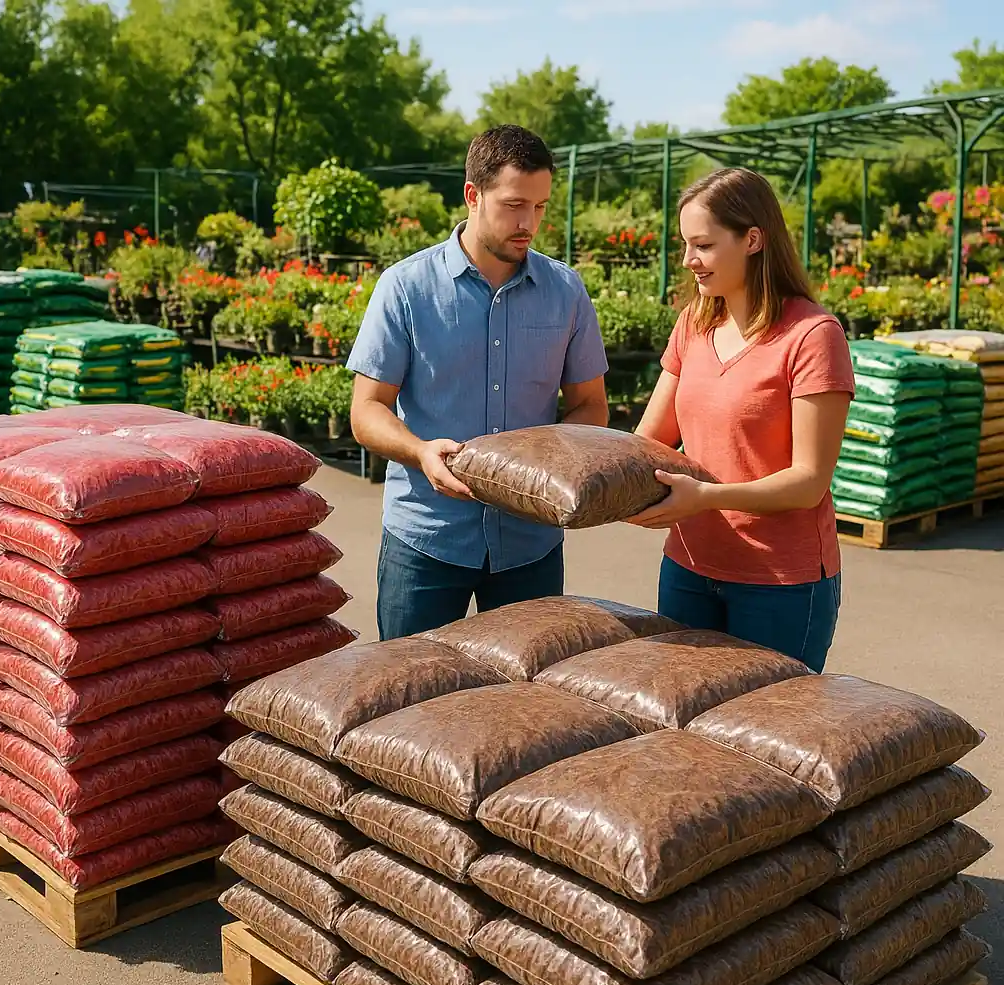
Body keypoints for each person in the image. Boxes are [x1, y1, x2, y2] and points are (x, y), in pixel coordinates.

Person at [347, 125, 610, 641]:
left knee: (524, 708)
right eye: (515, 205)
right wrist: (421, 452)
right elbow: (367, 410)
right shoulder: (405, 287)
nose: (528, 222)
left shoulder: (566, 291)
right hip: (426, 537)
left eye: (539, 207)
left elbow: (590, 407)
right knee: (411, 702)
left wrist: (544, 462)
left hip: (530, 541)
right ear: (473, 195)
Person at [628, 167, 855, 672]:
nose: (689, 260)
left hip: (780, 584)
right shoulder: (693, 323)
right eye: (686, 245)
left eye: (703, 246)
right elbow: (650, 439)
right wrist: (615, 489)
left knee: (763, 742)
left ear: (752, 239)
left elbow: (808, 482)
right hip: (687, 567)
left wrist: (705, 497)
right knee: (683, 731)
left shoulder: (813, 336)